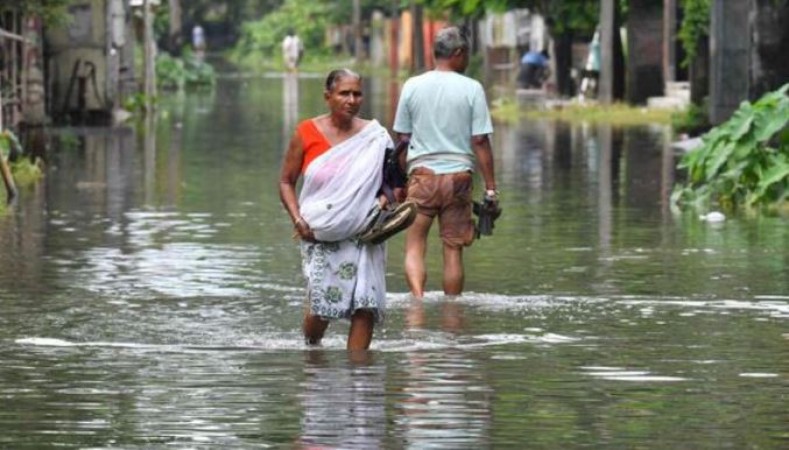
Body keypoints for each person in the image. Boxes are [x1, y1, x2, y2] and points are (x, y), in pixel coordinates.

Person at [279, 69, 395, 351]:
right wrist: (297, 219)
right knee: (321, 307)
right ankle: (312, 351)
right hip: (318, 233)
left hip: (364, 231)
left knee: (364, 305)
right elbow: (286, 181)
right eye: (345, 93)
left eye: (357, 94)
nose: (352, 100)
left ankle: (358, 379)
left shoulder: (375, 138)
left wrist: (384, 202)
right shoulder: (306, 133)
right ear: (328, 96)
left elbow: (393, 184)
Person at [392, 26, 498, 299]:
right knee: (453, 249)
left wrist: (401, 181)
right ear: (459, 53)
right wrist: (490, 189)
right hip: (458, 180)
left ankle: (417, 304)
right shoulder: (472, 88)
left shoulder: (412, 86)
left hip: (421, 176)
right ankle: (453, 315)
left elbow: (402, 139)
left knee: (415, 245)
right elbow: (480, 142)